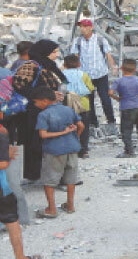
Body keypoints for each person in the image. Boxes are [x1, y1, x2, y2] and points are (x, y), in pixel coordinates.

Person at [12, 40, 66, 182]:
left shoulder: (49, 66)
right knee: (34, 141)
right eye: (54, 52)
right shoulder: (31, 65)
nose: (57, 55)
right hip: (33, 111)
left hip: (49, 108)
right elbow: (18, 85)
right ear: (44, 52)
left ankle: (51, 174)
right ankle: (33, 175)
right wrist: (45, 95)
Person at [32, 86, 83, 218]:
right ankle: (70, 205)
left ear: (44, 101)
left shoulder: (43, 114)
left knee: (50, 179)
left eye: (36, 102)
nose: (35, 104)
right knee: (71, 178)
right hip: (72, 148)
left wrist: (63, 132)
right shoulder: (68, 109)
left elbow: (43, 135)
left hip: (54, 150)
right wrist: (75, 137)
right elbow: (81, 125)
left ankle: (52, 209)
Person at [0, 120, 42, 259]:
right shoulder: (2, 135)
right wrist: (7, 155)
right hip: (2, 190)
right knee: (12, 223)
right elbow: (3, 164)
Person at [69, 19, 118, 128]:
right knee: (89, 100)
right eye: (81, 26)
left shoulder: (100, 40)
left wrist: (113, 67)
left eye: (85, 26)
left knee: (105, 98)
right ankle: (93, 123)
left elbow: (108, 55)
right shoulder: (77, 41)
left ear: (91, 27)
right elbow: (75, 57)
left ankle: (111, 121)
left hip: (101, 74)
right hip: (85, 76)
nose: (83, 29)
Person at [110, 59, 138, 158]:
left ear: (121, 68)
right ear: (135, 69)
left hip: (126, 108)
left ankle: (129, 151)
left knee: (126, 130)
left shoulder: (119, 81)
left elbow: (110, 92)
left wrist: (117, 98)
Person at [62, 54, 95, 158]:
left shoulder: (62, 74)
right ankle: (83, 150)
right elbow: (90, 89)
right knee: (84, 127)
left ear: (64, 64)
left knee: (68, 126)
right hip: (83, 105)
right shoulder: (84, 74)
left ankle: (69, 148)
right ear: (79, 64)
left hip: (66, 104)